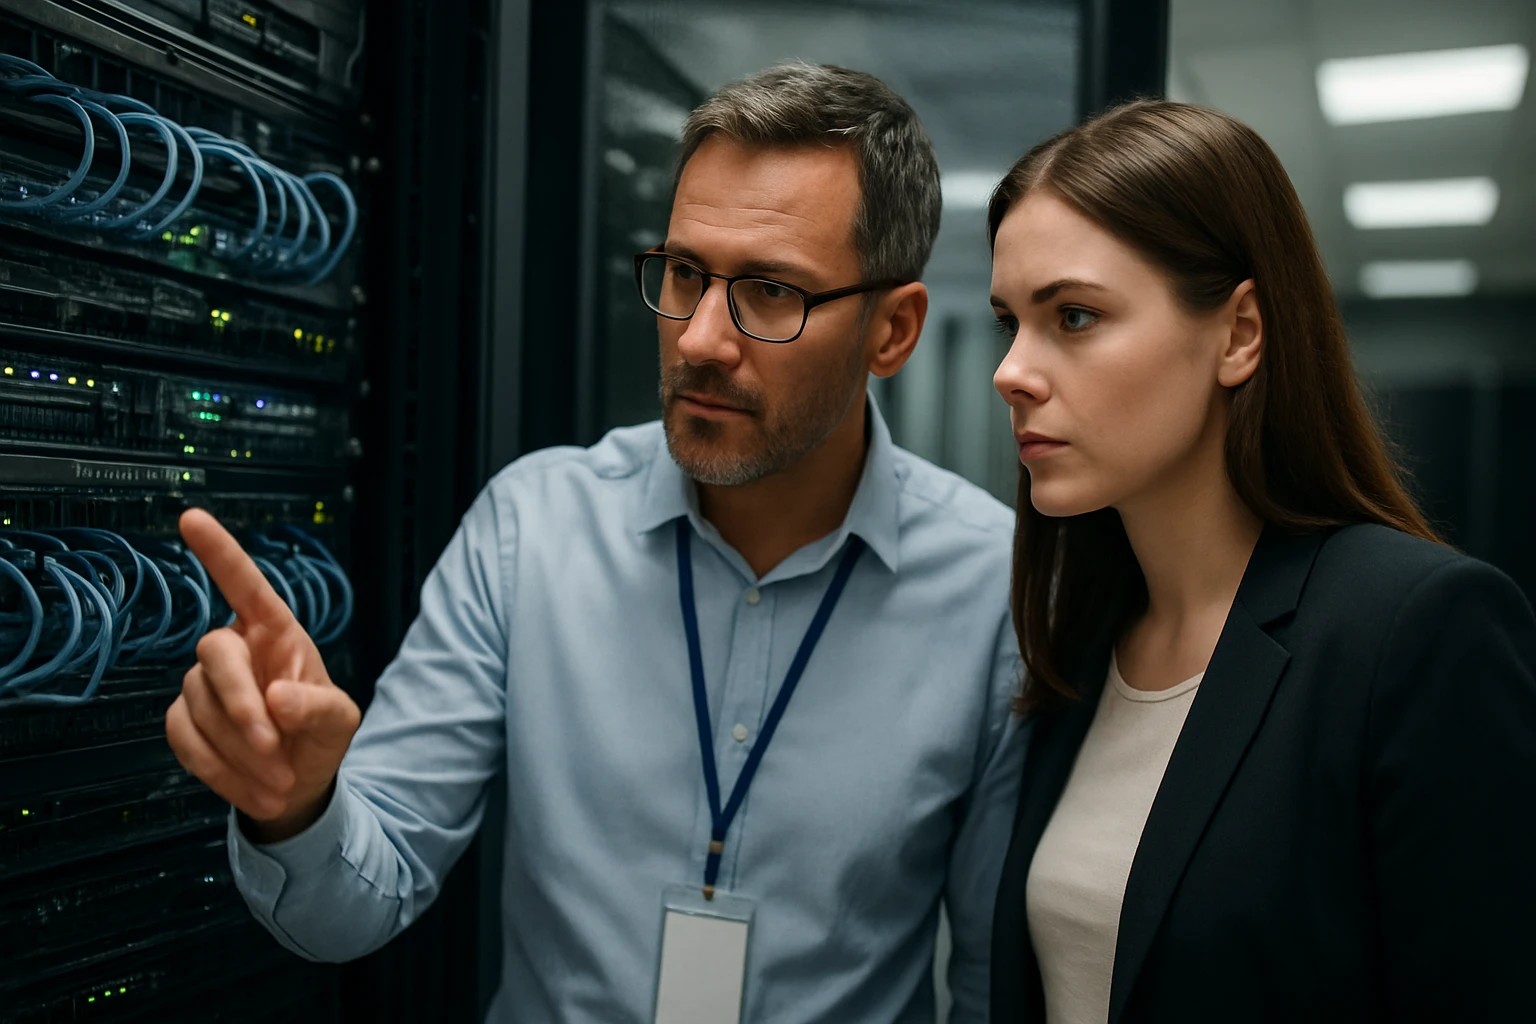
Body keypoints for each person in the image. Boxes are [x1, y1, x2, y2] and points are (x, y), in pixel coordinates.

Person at [166, 62, 1026, 1022]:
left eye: (772, 293)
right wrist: (295, 807)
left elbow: (994, 986)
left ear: (893, 329)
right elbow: (359, 897)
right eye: (686, 273)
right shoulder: (532, 532)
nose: (699, 338)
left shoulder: (993, 588)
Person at [985, 100, 1536, 1023]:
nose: (1012, 369)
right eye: (1010, 321)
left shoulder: (1415, 631)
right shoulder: (1081, 635)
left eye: (1074, 316)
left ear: (1239, 334)